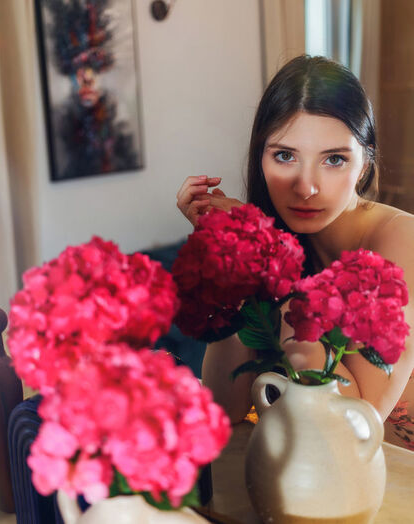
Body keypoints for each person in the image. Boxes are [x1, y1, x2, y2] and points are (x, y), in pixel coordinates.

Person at [176, 55, 414, 450]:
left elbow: (356, 426)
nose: (306, 187)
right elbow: (225, 407)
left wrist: (274, 267)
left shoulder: (401, 242)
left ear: (364, 163)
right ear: (260, 157)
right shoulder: (279, 241)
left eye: (334, 159)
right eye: (285, 156)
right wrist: (236, 252)